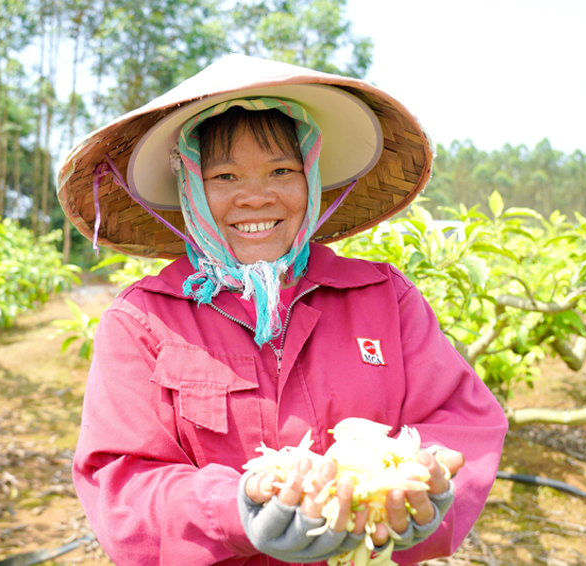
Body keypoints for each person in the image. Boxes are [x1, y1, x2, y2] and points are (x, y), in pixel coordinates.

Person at [58, 54, 508, 566]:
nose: (256, 197)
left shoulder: (383, 298)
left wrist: (425, 490)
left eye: (281, 170)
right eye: (224, 176)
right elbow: (123, 482)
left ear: (310, 180)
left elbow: (461, 424)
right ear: (190, 189)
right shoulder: (144, 321)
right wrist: (239, 507)